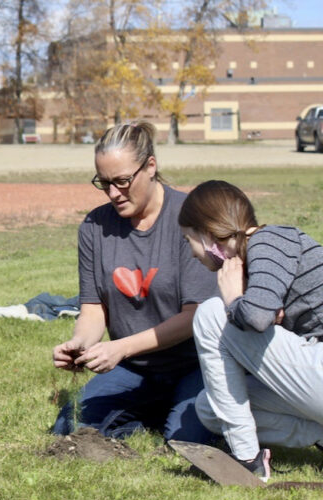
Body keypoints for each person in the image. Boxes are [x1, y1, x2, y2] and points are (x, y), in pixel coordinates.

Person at [51, 121, 217, 443]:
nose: (114, 193)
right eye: (104, 183)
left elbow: (196, 315)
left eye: (123, 181)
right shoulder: (94, 227)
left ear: (151, 166)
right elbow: (93, 307)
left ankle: (185, 412)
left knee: (187, 441)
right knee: (68, 428)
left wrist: (120, 347)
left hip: (195, 364)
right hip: (135, 366)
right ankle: (159, 412)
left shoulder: (190, 218)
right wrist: (82, 346)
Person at [179, 180, 323, 481]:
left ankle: (247, 462)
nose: (191, 253)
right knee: (210, 407)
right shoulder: (254, 259)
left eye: (188, 239)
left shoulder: (270, 239)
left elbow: (257, 317)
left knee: (212, 314)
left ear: (207, 233)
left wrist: (233, 302)